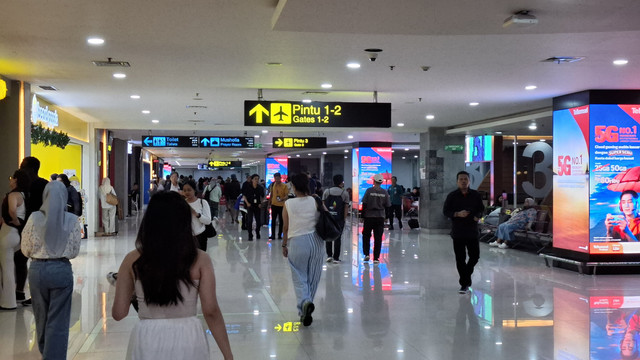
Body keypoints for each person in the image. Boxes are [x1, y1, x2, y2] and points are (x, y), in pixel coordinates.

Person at [112, 191, 233, 360]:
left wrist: (132, 292)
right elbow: (211, 311)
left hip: (147, 337)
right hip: (189, 336)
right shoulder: (200, 259)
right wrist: (228, 355)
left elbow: (119, 313)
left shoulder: (132, 259)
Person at [21, 181, 81, 359]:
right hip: (61, 270)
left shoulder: (33, 218)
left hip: (37, 270)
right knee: (59, 320)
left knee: (40, 316)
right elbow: (74, 250)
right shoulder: (72, 220)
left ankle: (45, 352)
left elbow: (25, 248)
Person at [281, 173, 323, 326]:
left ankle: (304, 304)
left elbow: (285, 227)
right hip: (317, 241)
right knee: (313, 278)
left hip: (297, 241)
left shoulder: (288, 204)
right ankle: (306, 307)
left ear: (293, 186)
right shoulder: (315, 200)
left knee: (299, 277)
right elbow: (323, 217)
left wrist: (284, 245)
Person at [442, 171, 485, 294]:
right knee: (460, 258)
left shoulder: (475, 195)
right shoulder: (452, 196)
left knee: (475, 257)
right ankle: (464, 284)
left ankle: (466, 274)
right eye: (461, 179)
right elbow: (445, 211)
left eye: (465, 179)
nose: (463, 181)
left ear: (469, 181)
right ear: (457, 181)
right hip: (458, 231)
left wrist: (478, 216)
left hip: (472, 231)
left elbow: (481, 209)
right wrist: (457, 214)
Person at [17, 156, 49, 305]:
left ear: (31, 169)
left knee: (37, 261)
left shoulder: (42, 185)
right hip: (24, 229)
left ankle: (37, 295)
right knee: (21, 259)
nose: (21, 168)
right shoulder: (23, 186)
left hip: (38, 228)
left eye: (23, 166)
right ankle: (20, 292)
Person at [0, 170, 29, 310]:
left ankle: (8, 302)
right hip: (15, 234)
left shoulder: (13, 195)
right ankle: (8, 300)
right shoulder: (23, 195)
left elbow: (12, 210)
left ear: (16, 180)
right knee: (9, 267)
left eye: (12, 178)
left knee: (7, 268)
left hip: (8, 233)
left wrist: (15, 221)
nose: (10, 180)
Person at [361, 173, 391, 264]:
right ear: (381, 182)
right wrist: (387, 217)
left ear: (374, 181)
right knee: (378, 238)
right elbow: (388, 206)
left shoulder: (369, 191)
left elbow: (364, 204)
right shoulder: (384, 192)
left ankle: (366, 254)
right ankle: (376, 258)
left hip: (369, 217)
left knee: (366, 236)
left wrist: (362, 216)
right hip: (380, 217)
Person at [322, 174, 349, 263]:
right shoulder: (344, 193)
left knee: (328, 236)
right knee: (338, 238)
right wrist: (344, 219)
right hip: (339, 218)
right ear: (341, 182)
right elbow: (346, 207)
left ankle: (329, 255)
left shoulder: (327, 191)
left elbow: (323, 204)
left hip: (328, 218)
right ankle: (336, 258)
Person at [183, 180, 212, 251]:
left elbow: (208, 221)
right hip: (186, 237)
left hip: (200, 236)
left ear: (194, 190)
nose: (187, 192)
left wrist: (197, 215)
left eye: (189, 190)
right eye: (184, 190)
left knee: (200, 259)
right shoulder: (182, 203)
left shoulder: (203, 202)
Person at [242, 174, 265, 241]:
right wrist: (247, 203)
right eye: (255, 179)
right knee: (249, 221)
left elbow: (263, 196)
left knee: (258, 221)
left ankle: (257, 232)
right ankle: (250, 235)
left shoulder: (260, 188)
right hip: (250, 205)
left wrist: (261, 203)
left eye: (257, 179)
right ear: (252, 180)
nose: (256, 180)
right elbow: (244, 196)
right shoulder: (248, 187)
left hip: (257, 206)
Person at [268, 173, 288, 240]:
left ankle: (280, 234)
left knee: (281, 221)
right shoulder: (273, 185)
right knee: (273, 220)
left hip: (281, 205)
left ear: (280, 178)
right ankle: (273, 235)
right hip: (274, 205)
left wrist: (282, 199)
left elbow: (287, 195)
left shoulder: (284, 186)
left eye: (278, 178)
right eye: (275, 178)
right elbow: (271, 195)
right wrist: (269, 203)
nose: (277, 180)